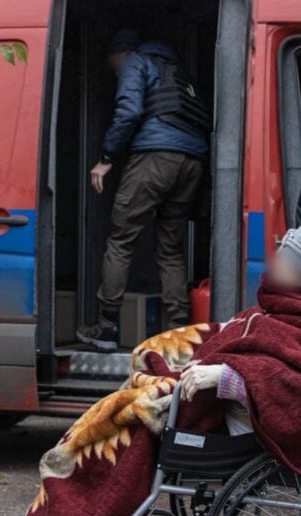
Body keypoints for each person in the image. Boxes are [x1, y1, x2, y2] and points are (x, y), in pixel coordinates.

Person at [78, 29, 210, 351]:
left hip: (155, 158)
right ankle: (178, 333)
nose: (117, 73)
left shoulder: (136, 62)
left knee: (121, 239)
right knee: (171, 249)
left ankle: (107, 327)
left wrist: (107, 158)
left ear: (121, 54)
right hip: (192, 163)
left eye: (115, 66)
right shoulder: (180, 75)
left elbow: (129, 112)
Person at [180, 220, 301, 435]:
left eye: (285, 265)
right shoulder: (295, 303)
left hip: (255, 422)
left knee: (152, 408)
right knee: (152, 355)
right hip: (235, 396)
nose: (274, 267)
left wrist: (227, 376)